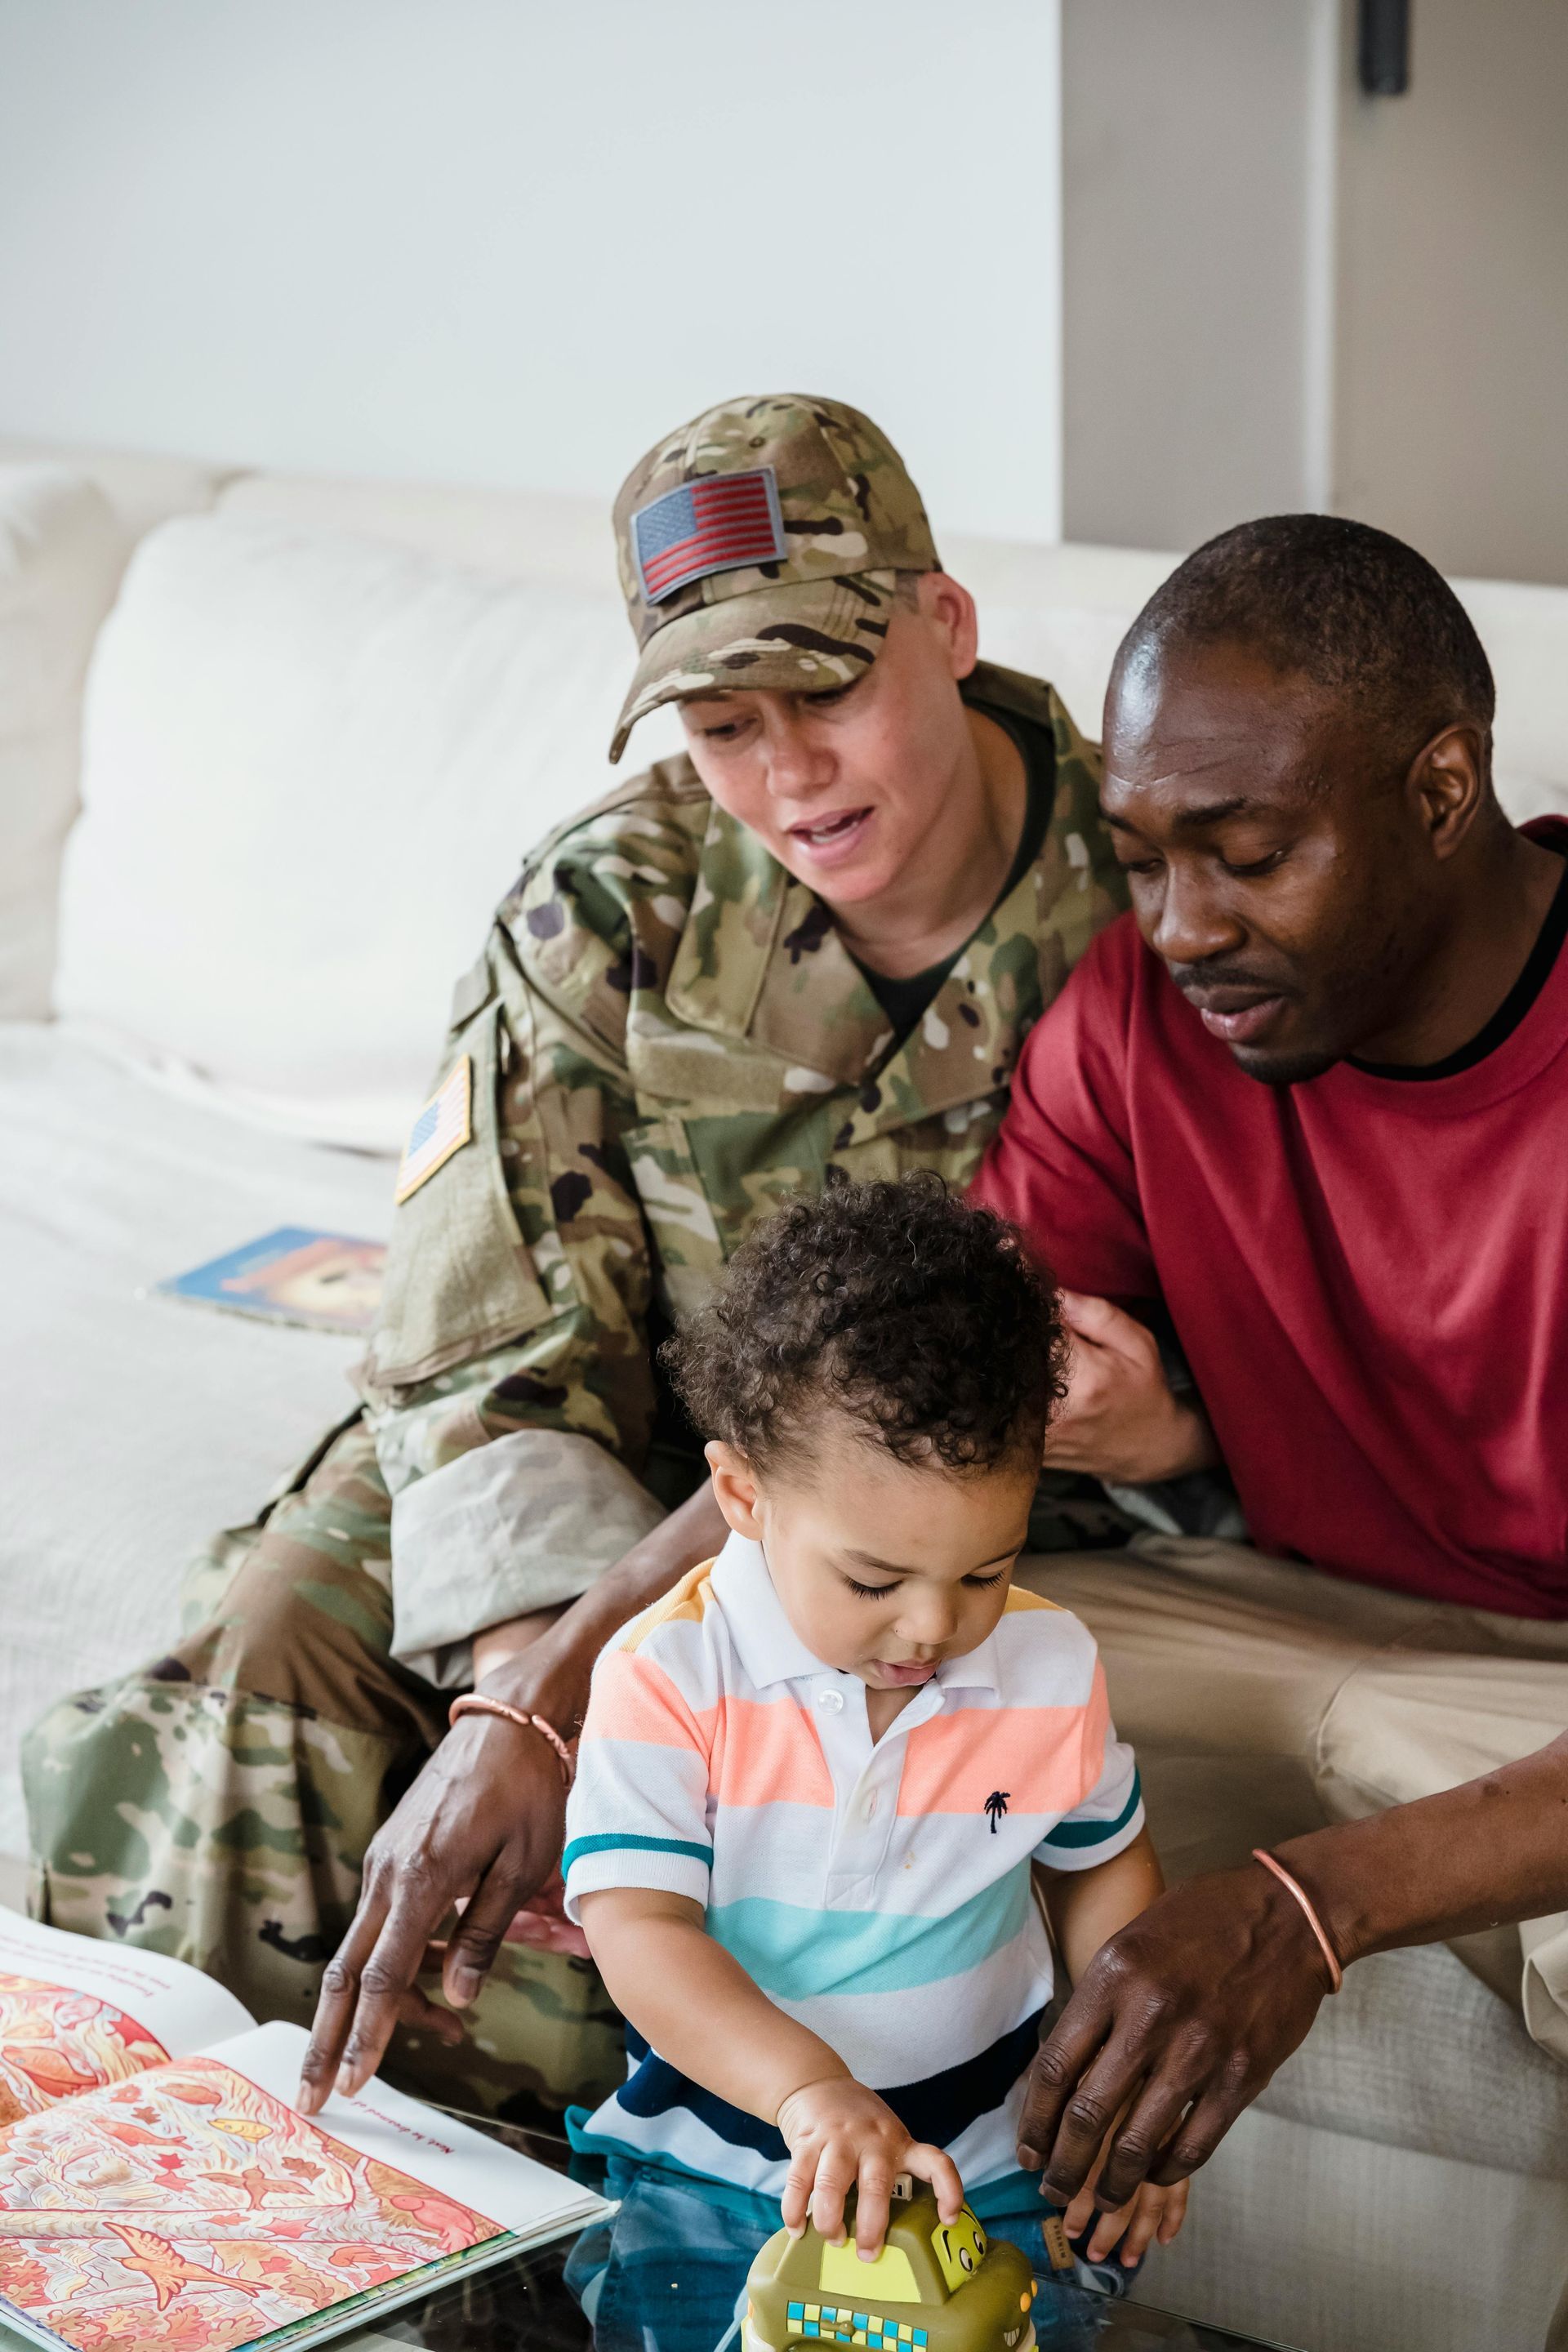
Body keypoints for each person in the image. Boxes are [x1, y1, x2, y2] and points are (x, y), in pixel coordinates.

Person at [23, 393, 1128, 2121]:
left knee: (692, 1806)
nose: (789, 777)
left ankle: (552, 2250)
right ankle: (192, 2188)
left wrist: (574, 1708)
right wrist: (519, 1671)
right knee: (271, 1629)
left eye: (827, 691)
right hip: (588, 1467)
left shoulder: (1145, 910)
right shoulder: (613, 902)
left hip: (889, 1518)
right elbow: (477, 1342)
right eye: (721, 721)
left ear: (947, 624)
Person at [963, 514, 1568, 2216]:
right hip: (1262, 1608)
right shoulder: (1139, 1020)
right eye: (1146, 858)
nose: (1178, 925)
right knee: (804, 1712)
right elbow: (900, 1395)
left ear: (1442, 793)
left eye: (1245, 851)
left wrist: (1314, 1906)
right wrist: (556, 1685)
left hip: (1545, 1691)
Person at [561, 1177, 1185, 2348]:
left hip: (986, 2183)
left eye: (984, 1571)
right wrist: (808, 2095)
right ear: (742, 1492)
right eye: (872, 1581)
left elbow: (1105, 1866)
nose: (931, 1630)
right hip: (717, 2174)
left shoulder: (1049, 1665)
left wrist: (1125, 2099)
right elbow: (639, 1926)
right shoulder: (668, 1675)